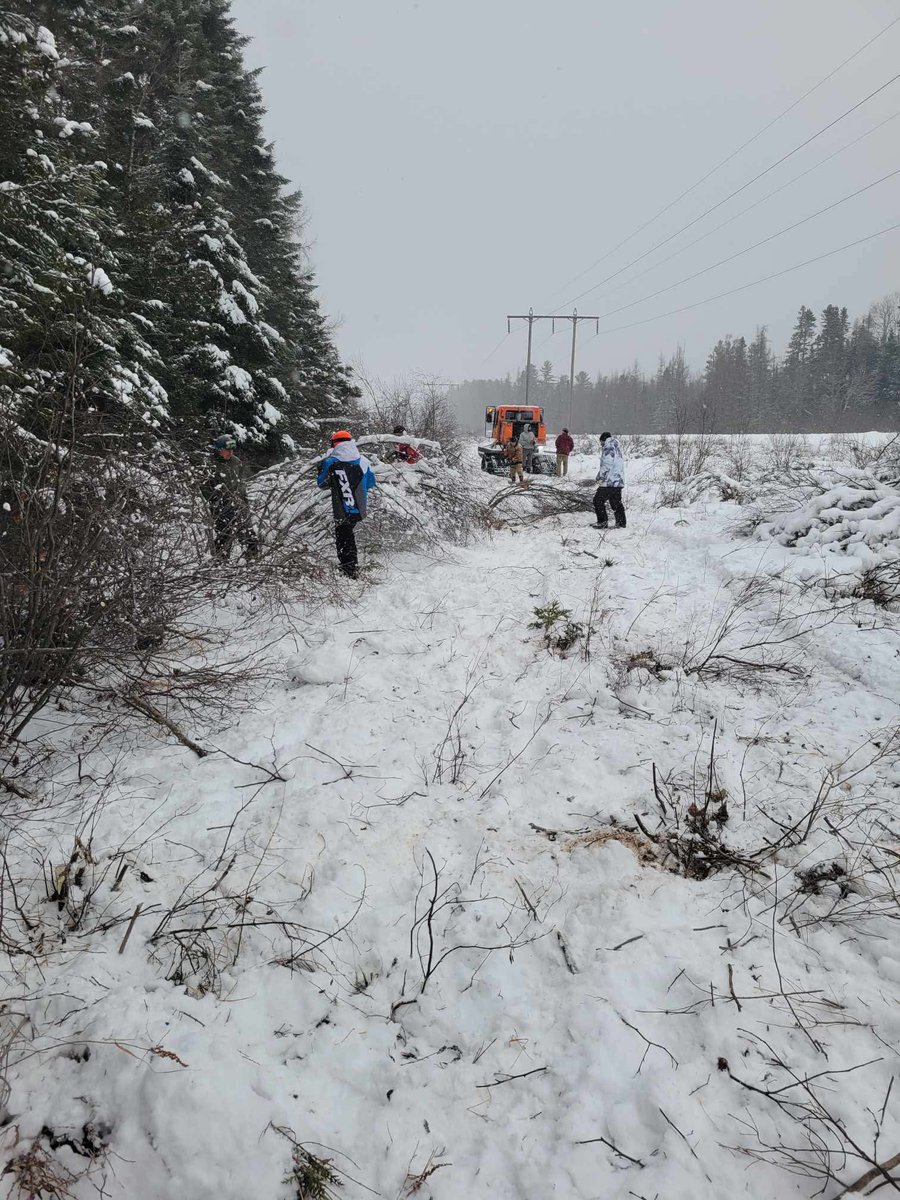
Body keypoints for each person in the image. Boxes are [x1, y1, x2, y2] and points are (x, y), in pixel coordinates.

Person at [316, 429, 377, 578]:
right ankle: (351, 567)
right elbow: (371, 483)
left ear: (334, 444)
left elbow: (322, 483)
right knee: (348, 535)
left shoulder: (331, 461)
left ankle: (349, 570)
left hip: (341, 507)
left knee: (343, 537)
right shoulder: (363, 460)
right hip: (360, 506)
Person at [202, 434, 259, 559]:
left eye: (232, 450)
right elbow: (205, 487)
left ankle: (253, 558)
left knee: (248, 533)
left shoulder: (236, 462)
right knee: (224, 535)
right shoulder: (210, 464)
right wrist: (216, 500)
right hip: (220, 507)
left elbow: (242, 482)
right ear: (219, 450)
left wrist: (244, 500)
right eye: (227, 450)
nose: (230, 453)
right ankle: (220, 562)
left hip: (239, 503)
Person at [593, 431, 626, 528]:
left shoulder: (608, 447)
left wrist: (600, 477)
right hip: (618, 481)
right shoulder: (617, 448)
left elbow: (607, 465)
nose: (601, 445)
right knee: (616, 502)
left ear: (604, 440)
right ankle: (621, 522)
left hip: (609, 481)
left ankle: (602, 522)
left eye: (601, 442)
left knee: (597, 500)